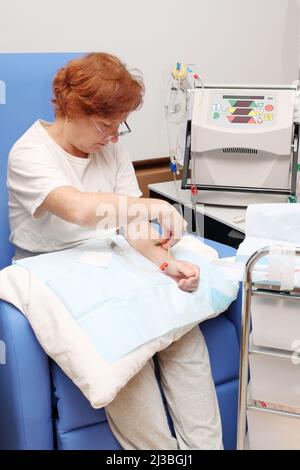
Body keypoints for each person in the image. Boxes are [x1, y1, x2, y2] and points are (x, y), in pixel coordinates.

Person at [7, 52, 222, 449]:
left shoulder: (111, 147)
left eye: (120, 127)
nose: (112, 138)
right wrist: (150, 204)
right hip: (54, 267)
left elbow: (131, 225)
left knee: (180, 327)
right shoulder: (29, 153)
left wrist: (166, 263)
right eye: (106, 126)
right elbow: (77, 208)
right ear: (71, 109)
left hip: (109, 257)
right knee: (128, 348)